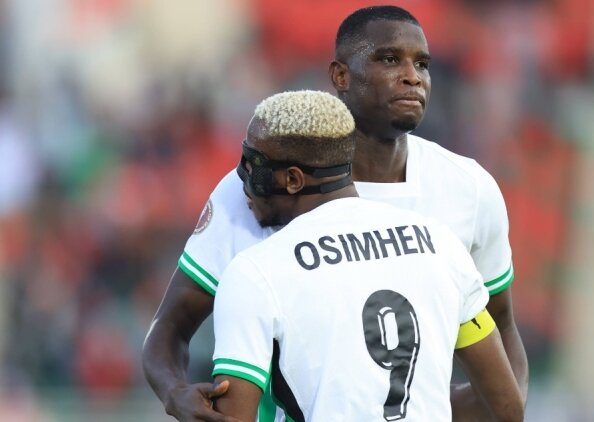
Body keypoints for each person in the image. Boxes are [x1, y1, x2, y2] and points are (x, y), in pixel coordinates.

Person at [142, 5, 528, 422]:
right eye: (389, 59)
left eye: (422, 64)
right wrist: (173, 392)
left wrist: (412, 403)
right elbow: (171, 326)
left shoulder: (469, 189)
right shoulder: (255, 190)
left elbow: (502, 325)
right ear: (341, 76)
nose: (412, 76)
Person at [211, 89, 523, 421]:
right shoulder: (442, 244)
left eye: (254, 169)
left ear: (293, 180)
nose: (242, 183)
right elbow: (507, 407)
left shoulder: (255, 272)